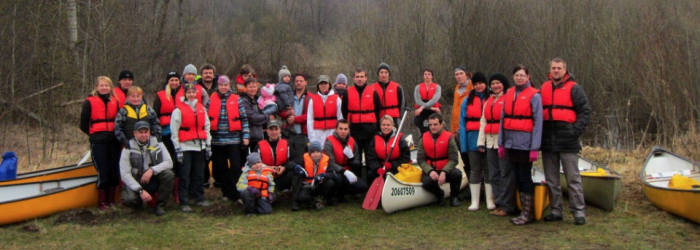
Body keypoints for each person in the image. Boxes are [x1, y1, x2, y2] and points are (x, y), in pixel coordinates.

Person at [540, 58, 591, 226]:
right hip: (548, 140)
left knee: (573, 178)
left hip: (568, 140)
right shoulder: (544, 87)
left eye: (559, 68)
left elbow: (585, 111)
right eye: (553, 68)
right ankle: (556, 210)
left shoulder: (574, 88)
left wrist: (575, 131)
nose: (556, 71)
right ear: (550, 70)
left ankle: (578, 212)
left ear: (565, 70)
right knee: (552, 179)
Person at [498, 64, 543, 225]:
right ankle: (523, 209)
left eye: (522, 75)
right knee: (516, 176)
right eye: (516, 75)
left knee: (525, 177)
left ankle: (527, 212)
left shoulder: (534, 96)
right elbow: (503, 119)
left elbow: (538, 123)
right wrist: (501, 144)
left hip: (526, 144)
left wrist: (534, 148)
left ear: (528, 77)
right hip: (511, 143)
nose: (519, 78)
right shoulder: (509, 94)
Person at [79, 76, 121, 210]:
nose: (104, 88)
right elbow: (83, 124)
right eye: (101, 85)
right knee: (103, 171)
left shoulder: (115, 101)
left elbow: (119, 121)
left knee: (114, 170)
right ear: (97, 87)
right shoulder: (89, 102)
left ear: (110, 87)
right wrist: (94, 134)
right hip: (98, 141)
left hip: (113, 141)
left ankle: (111, 200)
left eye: (106, 86)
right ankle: (102, 202)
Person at [477, 73, 516, 216]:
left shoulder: (508, 99)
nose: (495, 86)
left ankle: (508, 205)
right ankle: (499, 203)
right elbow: (483, 121)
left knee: (506, 173)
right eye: (493, 84)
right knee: (493, 174)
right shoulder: (489, 100)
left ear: (504, 84)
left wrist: (506, 142)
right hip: (490, 141)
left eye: (498, 83)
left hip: (503, 141)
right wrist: (481, 142)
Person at [207, 75, 250, 202]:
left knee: (236, 167)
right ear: (218, 86)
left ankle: (236, 193)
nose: (223, 87)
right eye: (221, 85)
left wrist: (246, 136)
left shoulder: (237, 99)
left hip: (234, 140)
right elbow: (205, 119)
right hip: (217, 140)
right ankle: (226, 193)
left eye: (226, 84)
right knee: (221, 168)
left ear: (229, 85)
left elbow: (244, 119)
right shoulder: (211, 100)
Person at [170, 83, 212, 212]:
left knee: (199, 174)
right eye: (189, 92)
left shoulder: (201, 108)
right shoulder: (178, 110)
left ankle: (199, 198)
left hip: (200, 146)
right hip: (185, 147)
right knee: (185, 175)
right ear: (185, 94)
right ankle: (184, 201)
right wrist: (177, 149)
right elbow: (174, 131)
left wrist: (208, 145)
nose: (191, 95)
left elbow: (207, 127)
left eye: (193, 92)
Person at [119, 121, 175, 216]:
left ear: (149, 132)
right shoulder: (128, 148)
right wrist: (140, 190)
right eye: (140, 132)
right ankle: (138, 204)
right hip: (136, 181)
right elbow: (125, 175)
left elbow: (169, 163)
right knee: (129, 199)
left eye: (146, 132)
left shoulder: (158, 143)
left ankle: (160, 206)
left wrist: (152, 170)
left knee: (169, 174)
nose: (144, 135)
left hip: (153, 179)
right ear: (135, 133)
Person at [459, 72, 493, 211]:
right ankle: (475, 201)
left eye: (481, 83)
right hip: (472, 138)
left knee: (489, 169)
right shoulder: (467, 100)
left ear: (486, 84)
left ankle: (490, 199)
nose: (479, 86)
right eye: (476, 84)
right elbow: (462, 123)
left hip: (488, 138)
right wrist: (463, 144)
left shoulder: (491, 98)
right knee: (475, 170)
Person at [341, 67, 381, 180]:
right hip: (354, 129)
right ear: (353, 78)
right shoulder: (347, 92)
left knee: (370, 158)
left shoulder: (373, 92)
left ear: (366, 78)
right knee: (355, 158)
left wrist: (375, 127)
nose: (359, 79)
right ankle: (357, 182)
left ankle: (370, 182)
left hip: (369, 130)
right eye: (357, 77)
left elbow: (377, 110)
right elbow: (344, 110)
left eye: (362, 77)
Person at [417, 113, 461, 207]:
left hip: (446, 168)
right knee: (427, 182)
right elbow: (420, 160)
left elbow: (454, 159)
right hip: (431, 169)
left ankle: (454, 197)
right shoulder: (423, 138)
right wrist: (430, 171)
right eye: (431, 125)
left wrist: (444, 172)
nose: (433, 127)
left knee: (457, 174)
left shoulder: (449, 137)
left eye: (435, 124)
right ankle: (440, 195)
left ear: (441, 125)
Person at [324, 119, 367, 202]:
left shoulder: (352, 141)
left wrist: (351, 158)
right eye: (340, 129)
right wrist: (344, 171)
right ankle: (337, 195)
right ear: (336, 129)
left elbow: (357, 163)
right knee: (339, 179)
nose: (343, 131)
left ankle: (342, 192)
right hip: (335, 172)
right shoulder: (329, 142)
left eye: (345, 129)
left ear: (348, 130)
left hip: (348, 171)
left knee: (363, 186)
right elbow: (330, 163)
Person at [256, 119, 297, 204]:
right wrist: (266, 168)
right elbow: (252, 164)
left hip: (283, 177)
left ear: (280, 130)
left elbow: (294, 160)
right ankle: (273, 194)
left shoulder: (286, 144)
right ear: (267, 131)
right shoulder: (259, 146)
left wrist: (284, 167)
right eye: (271, 129)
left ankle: (295, 200)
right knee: (271, 201)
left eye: (276, 129)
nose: (274, 132)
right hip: (267, 179)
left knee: (297, 172)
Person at [290, 141, 337, 211]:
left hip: (321, 184)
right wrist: (296, 166)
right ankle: (314, 201)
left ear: (321, 152)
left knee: (330, 183)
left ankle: (324, 199)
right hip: (308, 185)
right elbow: (290, 163)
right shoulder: (303, 159)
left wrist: (324, 175)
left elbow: (333, 174)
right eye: (313, 152)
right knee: (302, 197)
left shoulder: (327, 160)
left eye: (318, 151)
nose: (316, 154)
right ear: (309, 153)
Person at [366, 115, 411, 183]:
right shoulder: (375, 139)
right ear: (380, 126)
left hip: (396, 167)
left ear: (392, 126)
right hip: (381, 166)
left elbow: (406, 157)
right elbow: (371, 157)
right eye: (383, 125)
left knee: (389, 174)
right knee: (370, 174)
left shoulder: (399, 138)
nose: (386, 127)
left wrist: (392, 165)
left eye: (388, 125)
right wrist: (377, 168)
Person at [451, 66, 474, 199]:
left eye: (461, 74)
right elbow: (455, 113)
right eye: (457, 74)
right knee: (464, 160)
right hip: (457, 131)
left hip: (468, 130)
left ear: (467, 75)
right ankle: (471, 187)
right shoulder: (456, 90)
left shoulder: (471, 90)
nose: (459, 76)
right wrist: (453, 130)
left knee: (473, 160)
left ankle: (478, 188)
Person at [240, 77, 274, 158]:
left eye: (254, 86)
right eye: (250, 87)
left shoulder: (258, 100)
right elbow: (252, 118)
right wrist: (267, 117)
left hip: (260, 135)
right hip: (250, 137)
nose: (253, 89)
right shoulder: (244, 101)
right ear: (246, 88)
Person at [282, 73, 312, 162]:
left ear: (306, 82)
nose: (299, 83)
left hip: (302, 134)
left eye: (301, 81)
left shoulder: (311, 97)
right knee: (287, 158)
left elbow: (311, 115)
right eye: (297, 81)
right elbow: (279, 111)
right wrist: (287, 114)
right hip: (288, 133)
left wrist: (295, 119)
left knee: (301, 159)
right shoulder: (288, 96)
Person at [307, 75, 342, 144]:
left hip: (332, 133)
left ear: (329, 85)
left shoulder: (337, 99)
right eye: (321, 83)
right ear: (318, 86)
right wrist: (312, 138)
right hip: (317, 134)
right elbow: (309, 120)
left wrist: (338, 134)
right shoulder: (313, 100)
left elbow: (340, 118)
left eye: (325, 83)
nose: (323, 85)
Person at [413, 68, 442, 135]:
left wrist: (423, 107)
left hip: (433, 112)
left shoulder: (437, 87)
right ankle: (422, 139)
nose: (427, 76)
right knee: (419, 124)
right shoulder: (418, 87)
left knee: (434, 128)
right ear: (423, 76)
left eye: (429, 74)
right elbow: (418, 101)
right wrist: (430, 108)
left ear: (432, 76)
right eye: (425, 74)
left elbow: (435, 100)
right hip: (422, 111)